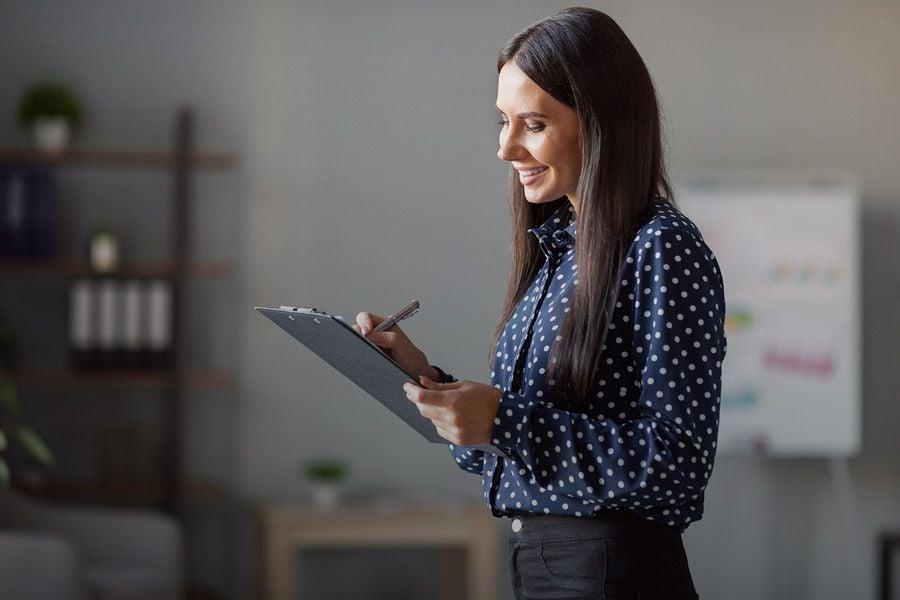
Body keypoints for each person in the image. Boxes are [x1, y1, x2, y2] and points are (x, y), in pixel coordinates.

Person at [353, 7, 726, 599]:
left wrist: (503, 419)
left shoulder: (662, 247)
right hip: (542, 568)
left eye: (532, 124)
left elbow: (676, 468)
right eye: (502, 121)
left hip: (611, 576)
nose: (505, 149)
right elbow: (510, 456)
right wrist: (426, 379)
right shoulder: (556, 251)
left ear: (601, 124)